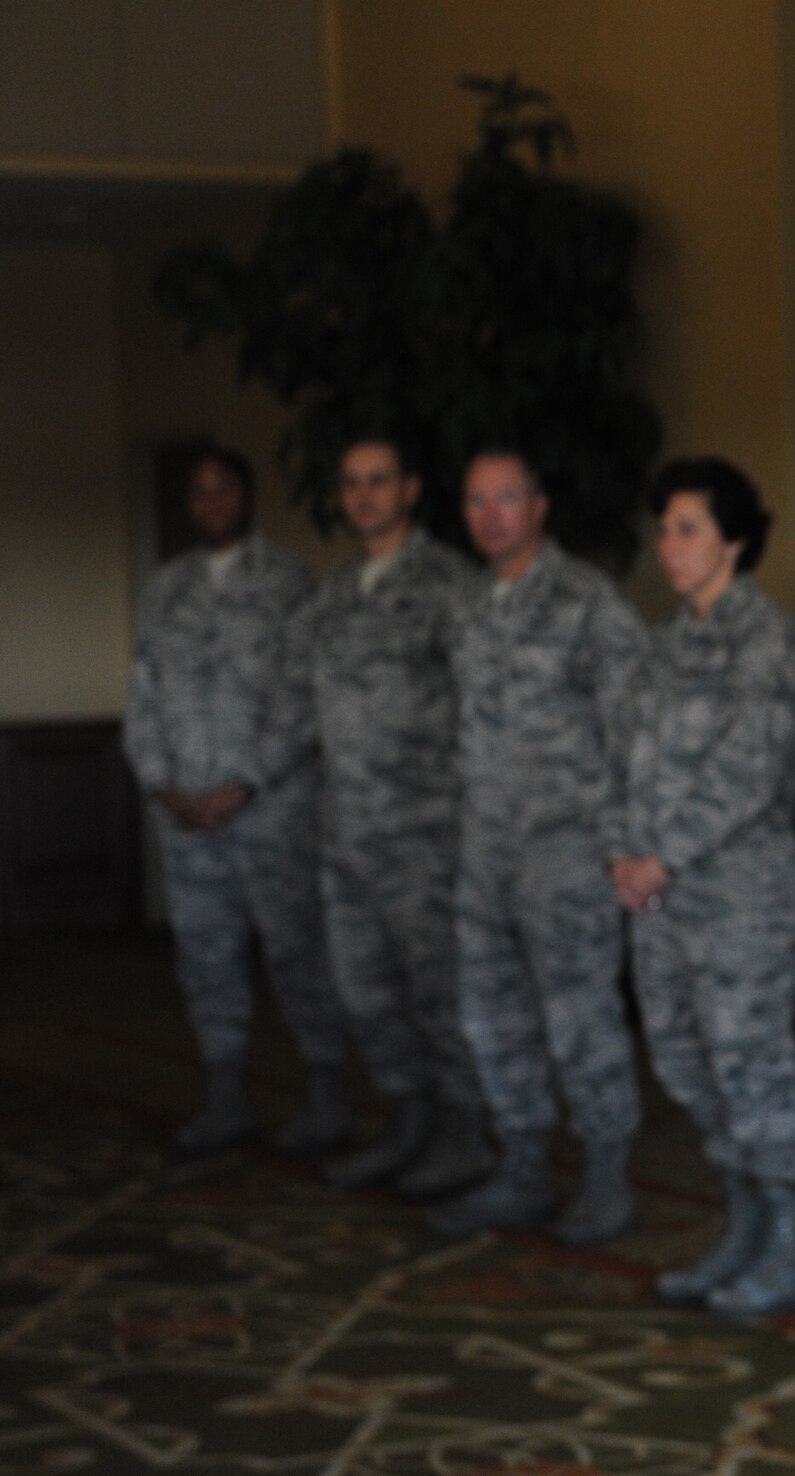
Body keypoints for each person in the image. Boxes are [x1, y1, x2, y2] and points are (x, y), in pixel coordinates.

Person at [614, 457, 795, 1317]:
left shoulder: (766, 642)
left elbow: (747, 771)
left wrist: (661, 853)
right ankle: (740, 1228)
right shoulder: (659, 645)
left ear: (734, 539)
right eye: (663, 529)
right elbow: (618, 764)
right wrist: (622, 852)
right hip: (659, 906)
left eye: (687, 528)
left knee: (751, 1068)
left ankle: (788, 1248)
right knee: (688, 1065)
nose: (669, 545)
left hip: (738, 905)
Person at [427, 447, 647, 1247]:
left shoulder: (590, 602)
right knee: (492, 1015)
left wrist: (620, 847)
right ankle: (521, 1167)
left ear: (539, 507)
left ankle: (605, 1175)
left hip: (567, 852)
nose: (490, 516)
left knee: (580, 1018)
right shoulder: (466, 606)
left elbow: (631, 735)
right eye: (476, 502)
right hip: (485, 850)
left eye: (506, 499)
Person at [123, 445, 351, 1156]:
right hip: (186, 819)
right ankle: (227, 1103)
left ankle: (326, 1100)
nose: (211, 502)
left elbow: (303, 696)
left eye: (225, 489)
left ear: (249, 499)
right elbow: (144, 695)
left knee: (296, 953)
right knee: (206, 957)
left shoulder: (287, 581)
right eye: (199, 493)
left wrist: (244, 781)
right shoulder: (164, 589)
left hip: (270, 811)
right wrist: (161, 783)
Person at [297, 436, 492, 1198]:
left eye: (380, 481)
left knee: (437, 991)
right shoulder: (335, 590)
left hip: (423, 835)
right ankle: (407, 1122)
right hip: (345, 832)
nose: (364, 496)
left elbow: (481, 706)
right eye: (351, 484)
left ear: (410, 489)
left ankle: (464, 1134)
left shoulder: (450, 583)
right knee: (364, 990)